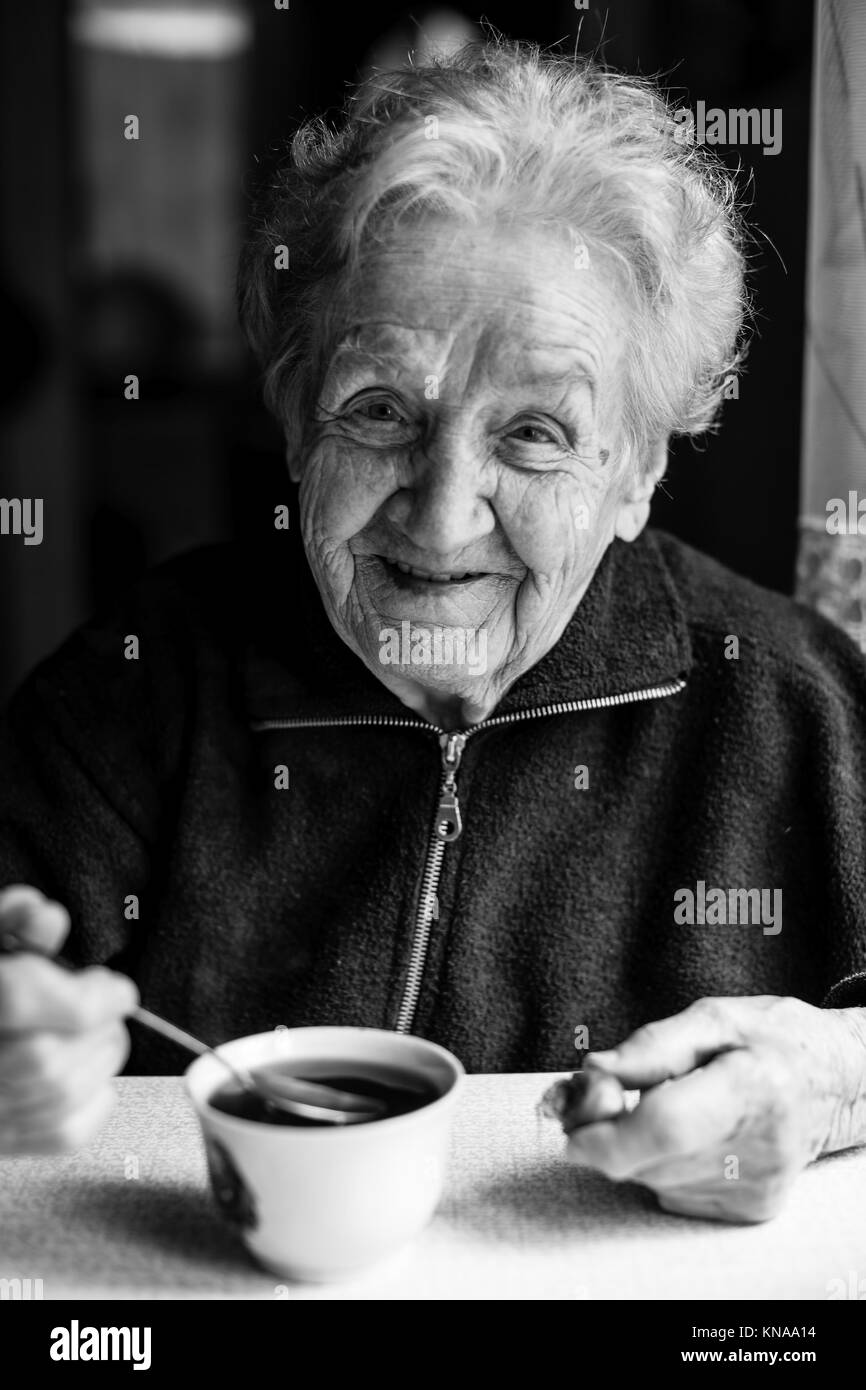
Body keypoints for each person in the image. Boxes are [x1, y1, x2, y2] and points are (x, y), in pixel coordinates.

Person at [1, 39, 865, 1223]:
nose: (443, 511)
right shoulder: (138, 684)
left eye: (534, 434)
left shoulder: (793, 705)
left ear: (638, 472)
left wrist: (831, 1082)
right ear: (297, 423)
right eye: (378, 410)